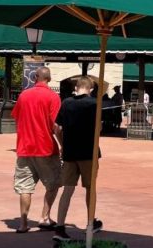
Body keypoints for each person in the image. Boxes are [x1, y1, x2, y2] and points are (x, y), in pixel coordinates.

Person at [11, 66, 62, 233]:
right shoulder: (53, 97)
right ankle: (45, 217)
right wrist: (63, 145)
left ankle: (23, 223)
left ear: (34, 78)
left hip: (24, 147)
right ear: (49, 78)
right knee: (53, 183)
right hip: (45, 147)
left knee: (25, 187)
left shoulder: (23, 95)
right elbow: (56, 126)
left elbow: (17, 118)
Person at [53, 76, 103, 239]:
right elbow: (99, 127)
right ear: (91, 89)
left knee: (67, 189)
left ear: (77, 87)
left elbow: (57, 128)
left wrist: (62, 145)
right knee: (90, 188)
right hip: (88, 151)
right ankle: (90, 222)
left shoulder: (66, 103)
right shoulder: (94, 104)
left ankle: (60, 226)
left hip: (70, 152)